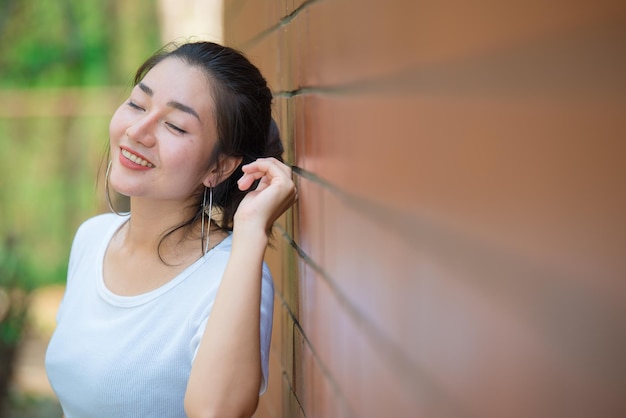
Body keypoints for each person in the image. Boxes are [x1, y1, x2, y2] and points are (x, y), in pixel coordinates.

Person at [45, 41, 297, 418]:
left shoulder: (234, 274)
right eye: (136, 104)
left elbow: (216, 411)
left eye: (175, 125)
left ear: (220, 168)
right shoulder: (92, 238)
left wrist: (250, 230)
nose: (138, 130)